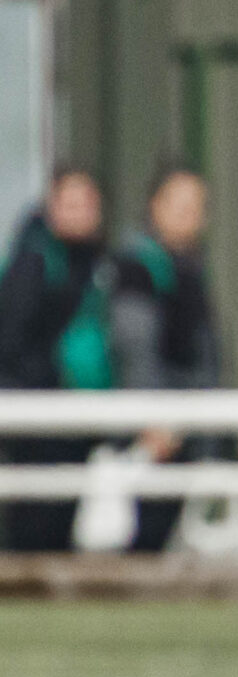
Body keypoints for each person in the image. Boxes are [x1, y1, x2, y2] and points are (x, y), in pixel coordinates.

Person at [109, 167, 222, 554]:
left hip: (184, 413)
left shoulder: (186, 265)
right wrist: (150, 415)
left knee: (162, 526)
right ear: (155, 206)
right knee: (147, 531)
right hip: (158, 419)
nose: (192, 216)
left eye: (197, 207)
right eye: (182, 206)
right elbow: (135, 344)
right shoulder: (139, 266)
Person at [0, 169, 110, 552]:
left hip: (75, 413)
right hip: (38, 414)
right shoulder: (33, 260)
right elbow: (12, 342)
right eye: (70, 204)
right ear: (52, 207)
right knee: (34, 525)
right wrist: (53, 382)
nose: (79, 213)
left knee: (62, 521)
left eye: (87, 204)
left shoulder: (98, 263)